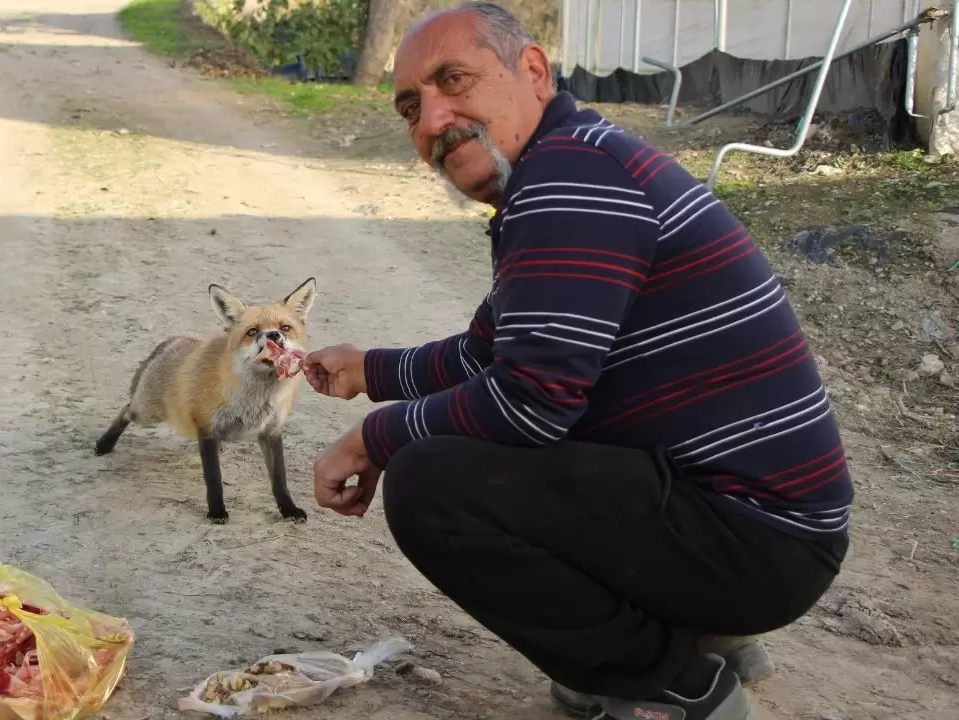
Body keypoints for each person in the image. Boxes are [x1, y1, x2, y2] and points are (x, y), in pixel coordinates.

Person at [302, 4, 852, 720]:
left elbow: (528, 398)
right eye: (411, 108)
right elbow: (488, 355)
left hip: (755, 538)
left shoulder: (568, 177)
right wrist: (369, 371)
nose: (434, 121)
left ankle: (671, 679)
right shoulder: (573, 161)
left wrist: (376, 437)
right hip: (757, 525)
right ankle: (702, 631)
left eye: (455, 80)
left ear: (532, 71)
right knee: (499, 434)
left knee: (432, 482)